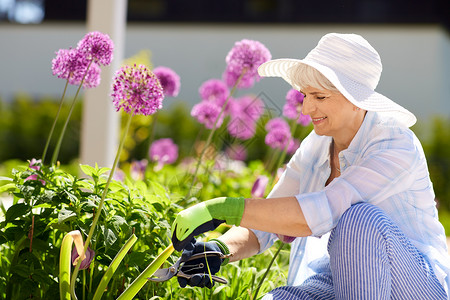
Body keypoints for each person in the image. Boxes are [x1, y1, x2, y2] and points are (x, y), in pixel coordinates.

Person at [171, 33, 450, 299]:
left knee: (359, 220)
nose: (306, 110)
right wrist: (219, 249)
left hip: (415, 284)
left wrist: (220, 209)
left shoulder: (395, 145)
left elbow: (319, 212)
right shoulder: (316, 146)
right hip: (336, 280)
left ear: (357, 100)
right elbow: (267, 222)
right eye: (305, 96)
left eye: (320, 97)